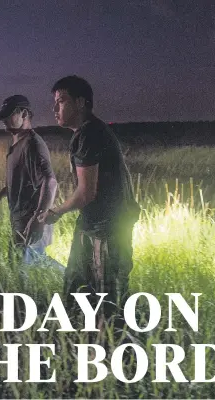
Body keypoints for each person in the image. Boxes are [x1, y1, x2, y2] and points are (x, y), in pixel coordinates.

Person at [38, 76, 140, 322]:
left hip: (107, 229)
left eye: (61, 101)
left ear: (81, 102)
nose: (55, 109)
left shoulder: (89, 135)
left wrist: (55, 212)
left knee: (108, 302)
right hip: (94, 224)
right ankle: (82, 345)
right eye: (55, 102)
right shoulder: (90, 131)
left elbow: (86, 192)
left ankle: (116, 351)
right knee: (78, 290)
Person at [0, 95, 57, 263]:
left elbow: (51, 182)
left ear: (24, 114)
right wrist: (0, 195)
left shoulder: (33, 144)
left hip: (30, 221)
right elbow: (19, 181)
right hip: (21, 221)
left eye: (9, 114)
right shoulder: (17, 144)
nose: (3, 119)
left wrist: (38, 221)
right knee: (31, 266)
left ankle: (76, 284)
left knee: (26, 270)